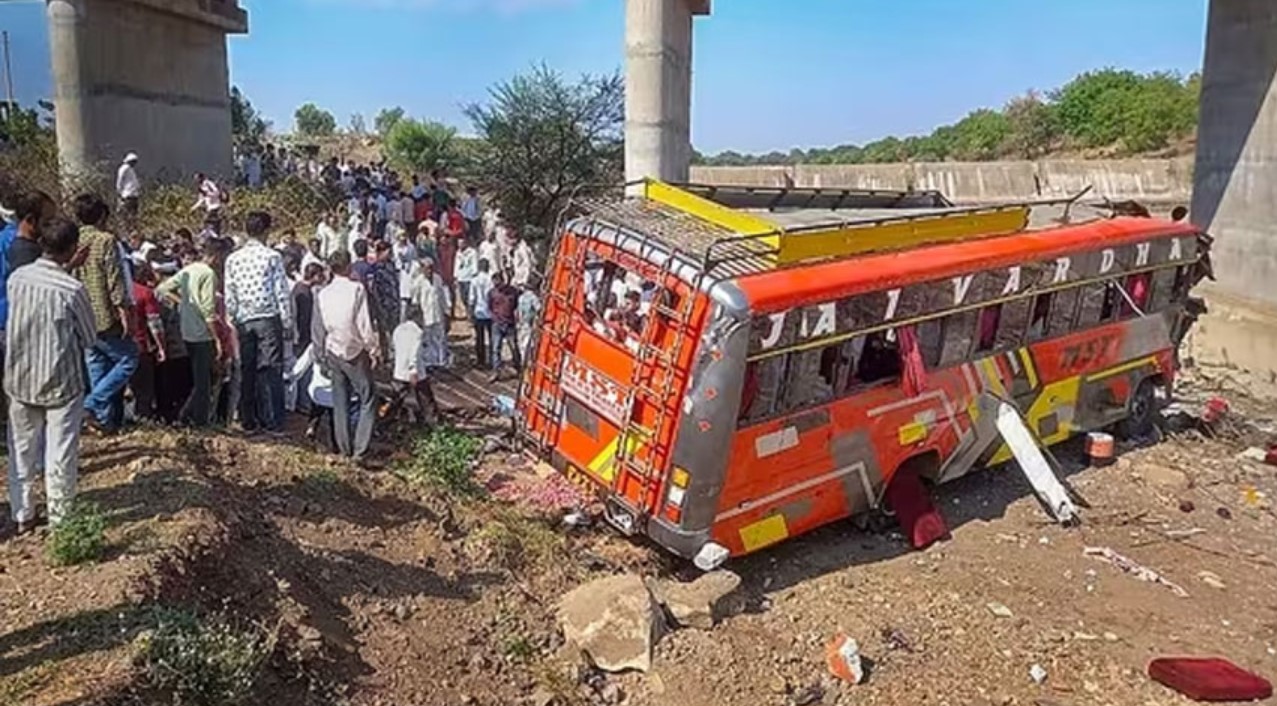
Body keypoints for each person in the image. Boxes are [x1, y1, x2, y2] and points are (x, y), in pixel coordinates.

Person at [6, 218, 97, 534]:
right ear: (72, 248)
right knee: (60, 452)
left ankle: (23, 514)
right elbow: (89, 337)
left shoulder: (17, 279)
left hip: (19, 376)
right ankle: (61, 520)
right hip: (61, 382)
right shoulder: (72, 289)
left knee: (21, 449)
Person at [223, 211, 293, 434]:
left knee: (248, 369)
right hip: (267, 316)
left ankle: (248, 420)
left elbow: (230, 290)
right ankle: (273, 422)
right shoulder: (272, 256)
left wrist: (232, 316)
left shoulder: (233, 258)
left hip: (244, 319)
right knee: (271, 369)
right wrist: (287, 321)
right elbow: (280, 291)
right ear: (266, 230)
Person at [73, 193, 137, 433]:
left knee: (96, 364)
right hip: (104, 314)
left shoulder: (72, 239)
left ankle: (102, 421)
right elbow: (115, 279)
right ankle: (91, 404)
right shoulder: (105, 240)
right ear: (101, 216)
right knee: (128, 358)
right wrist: (124, 312)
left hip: (81, 314)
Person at [312, 249, 381, 465]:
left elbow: (318, 327)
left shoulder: (322, 293)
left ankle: (344, 449)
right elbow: (363, 323)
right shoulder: (356, 289)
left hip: (333, 349)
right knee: (368, 396)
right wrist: (373, 349)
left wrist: (320, 354)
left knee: (339, 400)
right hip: (354, 349)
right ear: (349, 267)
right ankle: (360, 450)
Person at [158, 241, 222, 427]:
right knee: (204, 381)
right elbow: (208, 309)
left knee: (199, 376)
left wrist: (183, 302)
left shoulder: (188, 270)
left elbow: (163, 288)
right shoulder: (208, 274)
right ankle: (199, 422)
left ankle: (186, 415)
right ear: (214, 257)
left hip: (186, 330)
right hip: (202, 332)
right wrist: (216, 337)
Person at [388, 303, 440, 427]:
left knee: (396, 399)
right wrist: (413, 369)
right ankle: (434, 424)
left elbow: (393, 348)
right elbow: (415, 353)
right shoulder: (417, 332)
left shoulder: (398, 329)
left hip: (399, 371)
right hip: (416, 372)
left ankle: (388, 419)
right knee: (426, 399)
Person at [128, 264, 167, 421]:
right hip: (141, 345)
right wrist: (162, 347)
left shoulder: (117, 291)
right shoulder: (145, 293)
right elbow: (155, 323)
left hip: (118, 345)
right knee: (143, 389)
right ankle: (143, 418)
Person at [410, 257, 451, 369]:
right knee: (427, 339)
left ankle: (441, 361)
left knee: (440, 338)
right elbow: (415, 301)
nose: (429, 271)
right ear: (422, 269)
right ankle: (429, 362)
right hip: (426, 315)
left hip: (438, 313)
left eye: (431, 268)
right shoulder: (418, 281)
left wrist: (447, 312)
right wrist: (418, 317)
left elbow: (442, 296)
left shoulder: (438, 279)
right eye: (427, 268)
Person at [488, 271, 522, 381]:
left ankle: (518, 367)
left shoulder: (512, 291)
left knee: (514, 347)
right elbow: (489, 306)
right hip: (497, 323)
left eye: (498, 283)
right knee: (495, 349)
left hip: (509, 323)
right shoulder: (492, 293)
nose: (497, 286)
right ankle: (496, 371)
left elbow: (517, 304)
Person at [368, 240, 401, 350]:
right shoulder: (376, 269)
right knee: (385, 333)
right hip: (383, 305)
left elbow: (395, 283)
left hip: (394, 303)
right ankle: (387, 356)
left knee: (395, 331)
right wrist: (380, 307)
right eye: (387, 251)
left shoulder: (391, 265)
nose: (389, 253)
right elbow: (375, 290)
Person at [468, 258, 494, 370]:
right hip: (490, 312)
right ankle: (493, 359)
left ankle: (480, 360)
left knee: (480, 338)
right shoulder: (490, 280)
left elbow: (471, 298)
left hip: (479, 311)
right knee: (492, 337)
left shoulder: (474, 280)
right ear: (487, 267)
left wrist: (470, 313)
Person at [517, 279, 541, 361]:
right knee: (530, 343)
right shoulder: (533, 297)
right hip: (530, 323)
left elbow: (518, 312)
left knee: (522, 343)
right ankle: (529, 360)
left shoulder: (521, 298)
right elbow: (539, 309)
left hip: (522, 322)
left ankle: (523, 359)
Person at [454, 238, 478, 319]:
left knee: (469, 297)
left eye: (461, 243)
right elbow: (456, 265)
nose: (460, 245)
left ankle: (471, 314)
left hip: (469, 278)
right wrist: (455, 276)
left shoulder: (472, 252)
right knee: (462, 297)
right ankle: (468, 311)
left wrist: (474, 274)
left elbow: (474, 263)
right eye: (458, 243)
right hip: (461, 278)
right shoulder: (458, 253)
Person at [116, 153, 141, 222]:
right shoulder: (124, 168)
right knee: (126, 213)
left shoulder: (130, 169)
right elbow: (120, 180)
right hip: (127, 195)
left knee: (133, 214)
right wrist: (119, 192)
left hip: (133, 194)